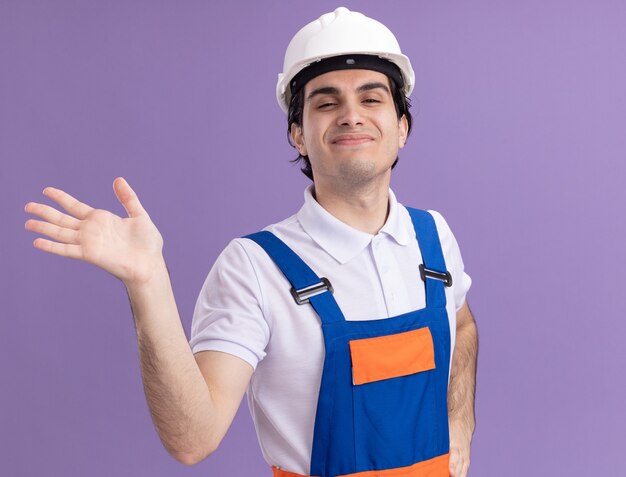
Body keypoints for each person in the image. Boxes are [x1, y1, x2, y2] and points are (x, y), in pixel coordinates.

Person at [24, 7, 477, 477]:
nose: (350, 116)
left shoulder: (433, 237)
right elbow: (192, 439)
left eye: (371, 99)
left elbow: (461, 326)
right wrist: (148, 283)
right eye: (325, 102)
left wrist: (460, 421)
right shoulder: (255, 268)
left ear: (402, 126)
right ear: (298, 134)